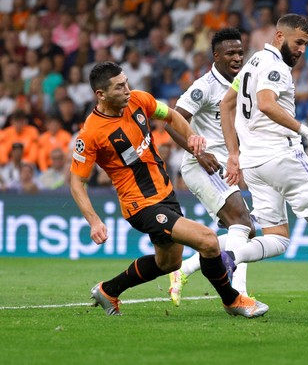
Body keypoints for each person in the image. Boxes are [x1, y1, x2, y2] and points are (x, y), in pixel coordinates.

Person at [69, 61, 268, 318]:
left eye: (127, 82)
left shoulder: (138, 100)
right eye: (119, 87)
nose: (127, 90)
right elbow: (77, 182)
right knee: (208, 241)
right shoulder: (90, 134)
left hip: (166, 194)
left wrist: (193, 137)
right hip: (140, 205)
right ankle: (233, 301)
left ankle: (108, 290)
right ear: (101, 94)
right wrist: (94, 221)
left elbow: (173, 116)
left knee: (169, 263)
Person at [219, 14, 308, 316]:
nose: (301, 50)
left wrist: (234, 153)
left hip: (254, 163)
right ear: (279, 36)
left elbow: (226, 103)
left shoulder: (253, 62)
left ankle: (228, 256)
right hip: (283, 156)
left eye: (305, 45)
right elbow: (266, 103)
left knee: (277, 238)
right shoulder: (275, 66)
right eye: (298, 42)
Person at [164, 28, 255, 306]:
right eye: (230, 53)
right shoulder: (204, 86)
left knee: (245, 230)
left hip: (223, 164)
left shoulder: (243, 82)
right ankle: (238, 294)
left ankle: (184, 269)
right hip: (202, 163)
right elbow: (173, 121)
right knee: (240, 221)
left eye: (240, 52)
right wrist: (197, 151)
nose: (237, 57)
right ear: (216, 56)